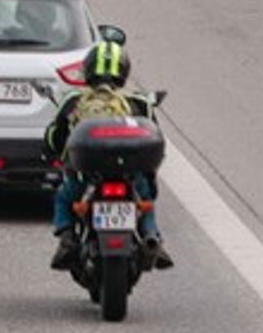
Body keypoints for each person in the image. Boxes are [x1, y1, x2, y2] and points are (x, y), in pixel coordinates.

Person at [45, 39, 173, 270]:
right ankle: (152, 237)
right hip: (130, 174)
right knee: (146, 200)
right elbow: (155, 136)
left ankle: (67, 240)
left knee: (64, 197)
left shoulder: (74, 100)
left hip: (86, 176)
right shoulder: (139, 102)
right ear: (123, 71)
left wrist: (51, 153)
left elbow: (54, 137)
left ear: (89, 69)